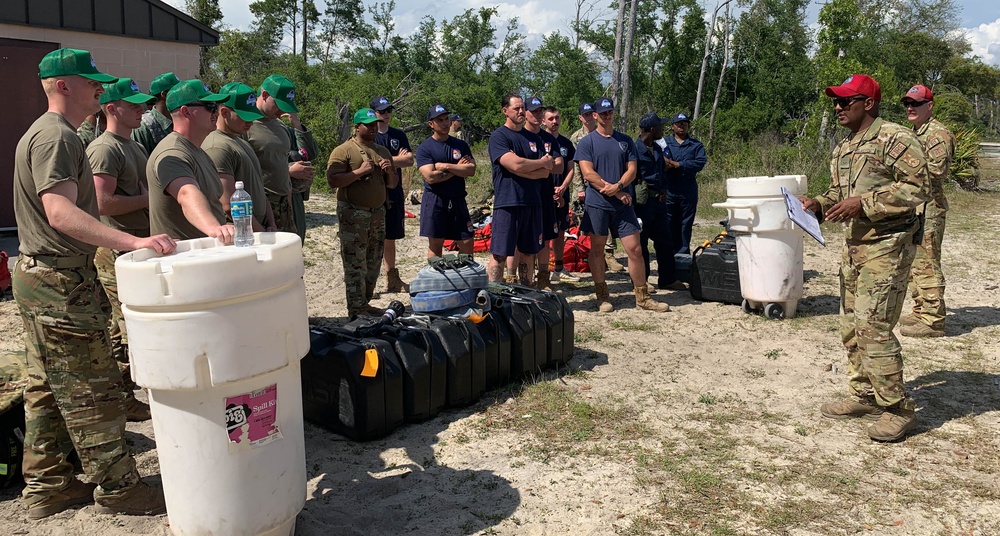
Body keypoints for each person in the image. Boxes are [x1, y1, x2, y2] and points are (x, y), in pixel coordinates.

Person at [12, 47, 174, 520]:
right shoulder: (57, 137)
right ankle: (118, 487)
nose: (99, 89)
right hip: (60, 279)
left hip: (44, 276)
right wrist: (129, 240)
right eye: (91, 81)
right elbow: (60, 212)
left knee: (46, 384)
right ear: (64, 85)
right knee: (93, 386)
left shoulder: (47, 133)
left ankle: (49, 485)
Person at [799, 74, 928, 442]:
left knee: (873, 327)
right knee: (851, 327)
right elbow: (838, 193)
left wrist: (865, 204)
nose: (838, 108)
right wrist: (818, 204)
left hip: (888, 244)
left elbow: (919, 188)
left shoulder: (895, 138)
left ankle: (897, 409)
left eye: (845, 101)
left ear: (868, 103)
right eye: (835, 102)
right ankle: (866, 395)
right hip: (854, 247)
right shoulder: (844, 148)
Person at [86, 77, 158, 422]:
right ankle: (123, 398)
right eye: (133, 105)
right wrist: (149, 199)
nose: (142, 109)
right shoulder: (105, 149)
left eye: (142, 103)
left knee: (123, 325)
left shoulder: (132, 145)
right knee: (126, 324)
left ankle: (121, 396)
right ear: (111, 108)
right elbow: (100, 202)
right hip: (116, 247)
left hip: (135, 245)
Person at [576, 97, 669, 313]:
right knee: (598, 249)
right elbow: (588, 173)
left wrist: (618, 186)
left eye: (611, 112)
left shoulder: (625, 141)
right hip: (598, 204)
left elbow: (632, 171)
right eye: (603, 112)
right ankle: (602, 296)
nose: (607, 115)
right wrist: (616, 191)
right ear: (595, 115)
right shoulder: (587, 142)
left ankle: (642, 296)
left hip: (623, 206)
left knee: (635, 249)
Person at [326, 108, 397, 318]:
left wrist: (388, 171)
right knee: (355, 262)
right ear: (357, 127)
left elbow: (392, 184)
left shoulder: (382, 151)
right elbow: (333, 179)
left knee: (373, 261)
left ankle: (365, 303)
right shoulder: (344, 150)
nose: (374, 128)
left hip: (377, 214)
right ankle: (355, 309)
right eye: (369, 125)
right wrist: (359, 172)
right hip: (354, 215)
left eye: (376, 124)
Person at [898, 85, 955, 338]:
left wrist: (901, 173)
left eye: (916, 103)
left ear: (929, 106)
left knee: (928, 262)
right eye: (908, 104)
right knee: (915, 261)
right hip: (915, 206)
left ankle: (933, 321)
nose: (910, 108)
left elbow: (938, 171)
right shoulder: (916, 132)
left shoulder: (937, 133)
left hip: (929, 207)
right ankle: (921, 309)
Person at [147, 79, 234, 242]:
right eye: (210, 107)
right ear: (186, 111)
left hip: (202, 255)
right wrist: (215, 229)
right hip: (183, 259)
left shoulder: (197, 151)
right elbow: (186, 193)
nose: (216, 113)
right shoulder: (172, 152)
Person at [486, 94, 553, 284]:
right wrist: (536, 164)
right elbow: (514, 164)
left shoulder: (533, 138)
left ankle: (526, 290)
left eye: (523, 108)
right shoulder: (499, 136)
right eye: (516, 108)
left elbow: (545, 172)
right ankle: (494, 292)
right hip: (508, 202)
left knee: (529, 252)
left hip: (532, 201)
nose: (521, 111)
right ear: (505, 111)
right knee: (500, 253)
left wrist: (523, 167)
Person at [202, 83, 276, 232]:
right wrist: (260, 231)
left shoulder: (240, 141)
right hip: (241, 232)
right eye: (244, 116)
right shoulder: (217, 146)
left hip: (257, 227)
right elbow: (229, 205)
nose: (250, 122)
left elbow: (259, 189)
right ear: (224, 112)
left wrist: (271, 223)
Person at [247, 74, 315, 235]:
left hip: (284, 205)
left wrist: (289, 209)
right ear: (264, 95)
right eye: (278, 104)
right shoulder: (246, 126)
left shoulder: (280, 126)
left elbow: (282, 170)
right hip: (261, 205)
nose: (282, 110)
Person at [415, 104, 477, 257]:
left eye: (446, 119)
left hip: (457, 199)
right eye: (440, 120)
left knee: (467, 241)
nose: (445, 123)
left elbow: (471, 170)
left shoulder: (460, 145)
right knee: (436, 244)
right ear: (431, 124)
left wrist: (446, 167)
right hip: (436, 200)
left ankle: (466, 277)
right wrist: (456, 170)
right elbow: (430, 177)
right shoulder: (425, 148)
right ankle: (437, 278)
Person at [571, 101, 623, 272]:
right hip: (586, 185)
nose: (588, 117)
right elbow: (576, 166)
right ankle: (584, 254)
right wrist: (579, 187)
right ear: (581, 118)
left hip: (608, 184)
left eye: (590, 114)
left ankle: (609, 254)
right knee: (589, 224)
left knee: (609, 220)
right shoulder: (577, 138)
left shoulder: (606, 133)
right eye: (585, 115)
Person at [634, 112, 684, 291]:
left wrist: (663, 190)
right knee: (641, 243)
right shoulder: (635, 149)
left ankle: (667, 279)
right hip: (642, 204)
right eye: (660, 126)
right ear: (653, 129)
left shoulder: (657, 148)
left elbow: (661, 172)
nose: (663, 129)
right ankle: (643, 281)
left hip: (659, 202)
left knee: (665, 240)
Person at [371, 96, 415, 293]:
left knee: (391, 235)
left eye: (388, 110)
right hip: (373, 190)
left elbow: (409, 161)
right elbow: (373, 162)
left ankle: (392, 278)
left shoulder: (399, 134)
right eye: (382, 111)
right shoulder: (369, 134)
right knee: (372, 236)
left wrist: (389, 161)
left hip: (394, 189)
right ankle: (369, 280)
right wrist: (397, 159)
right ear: (373, 112)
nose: (386, 114)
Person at [524, 96, 564, 288]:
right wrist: (543, 164)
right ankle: (523, 280)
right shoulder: (519, 135)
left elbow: (559, 166)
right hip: (525, 196)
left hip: (546, 195)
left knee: (546, 238)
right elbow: (519, 166)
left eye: (540, 110)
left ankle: (543, 278)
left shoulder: (548, 139)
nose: (538, 114)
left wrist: (536, 167)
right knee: (524, 241)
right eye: (534, 111)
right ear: (525, 113)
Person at [542, 106, 581, 284]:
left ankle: (559, 268)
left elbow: (571, 169)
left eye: (557, 118)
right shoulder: (538, 140)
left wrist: (563, 188)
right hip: (543, 195)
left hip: (562, 194)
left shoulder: (566, 143)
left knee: (560, 231)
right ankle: (541, 271)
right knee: (542, 233)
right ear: (543, 121)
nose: (554, 122)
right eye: (550, 119)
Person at [663, 112, 707, 255]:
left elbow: (699, 163)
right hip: (669, 190)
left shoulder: (695, 145)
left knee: (685, 224)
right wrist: (665, 164)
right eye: (679, 124)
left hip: (687, 190)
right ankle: (670, 254)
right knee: (669, 224)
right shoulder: (663, 143)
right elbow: (657, 159)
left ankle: (683, 255)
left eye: (685, 124)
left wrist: (678, 164)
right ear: (672, 127)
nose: (682, 126)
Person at [284, 112, 320, 243]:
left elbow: (310, 153)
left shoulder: (287, 131)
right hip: (271, 195)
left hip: (295, 195)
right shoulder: (252, 130)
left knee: (297, 239)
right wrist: (288, 171)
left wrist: (297, 125)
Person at [131, 71, 181, 155]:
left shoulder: (179, 120)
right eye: (178, 92)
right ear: (164, 95)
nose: (183, 96)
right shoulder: (144, 126)